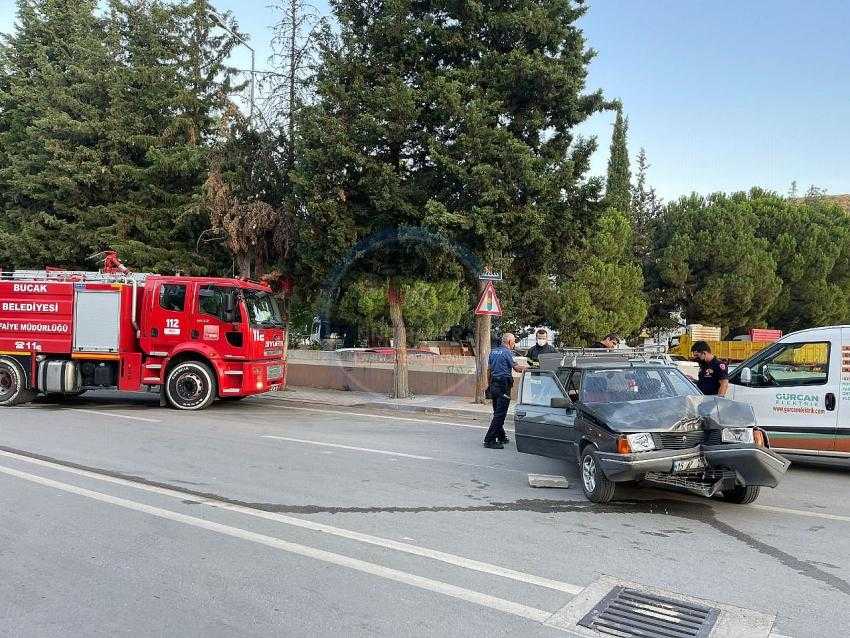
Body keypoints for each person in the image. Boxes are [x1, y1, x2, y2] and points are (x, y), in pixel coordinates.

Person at [483, 333, 528, 449]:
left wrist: (489, 385)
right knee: (500, 415)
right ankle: (489, 440)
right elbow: (517, 368)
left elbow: (488, 371)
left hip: (493, 385)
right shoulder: (507, 352)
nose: (514, 343)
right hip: (503, 385)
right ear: (509, 342)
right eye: (514, 341)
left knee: (497, 412)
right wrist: (529, 368)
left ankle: (501, 436)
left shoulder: (493, 352)